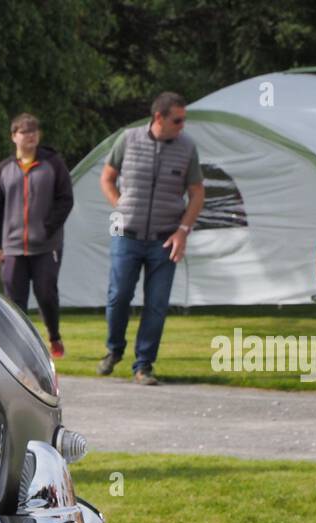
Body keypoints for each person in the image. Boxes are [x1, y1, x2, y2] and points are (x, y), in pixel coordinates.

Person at [98, 91, 205, 385]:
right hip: (126, 235)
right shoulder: (128, 140)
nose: (182, 125)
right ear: (159, 117)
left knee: (157, 304)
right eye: (177, 120)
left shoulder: (187, 148)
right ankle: (114, 349)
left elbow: (197, 192)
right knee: (118, 295)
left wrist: (183, 231)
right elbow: (106, 176)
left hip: (165, 238)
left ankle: (143, 365)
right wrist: (119, 205)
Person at [0, 113, 74, 358]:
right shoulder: (4, 169)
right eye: (25, 131)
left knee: (46, 293)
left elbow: (66, 199)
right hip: (12, 247)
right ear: (14, 136)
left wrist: (48, 227)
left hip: (46, 245)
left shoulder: (53, 163)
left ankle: (54, 336)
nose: (31, 135)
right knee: (14, 300)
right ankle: (20, 347)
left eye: (34, 130)